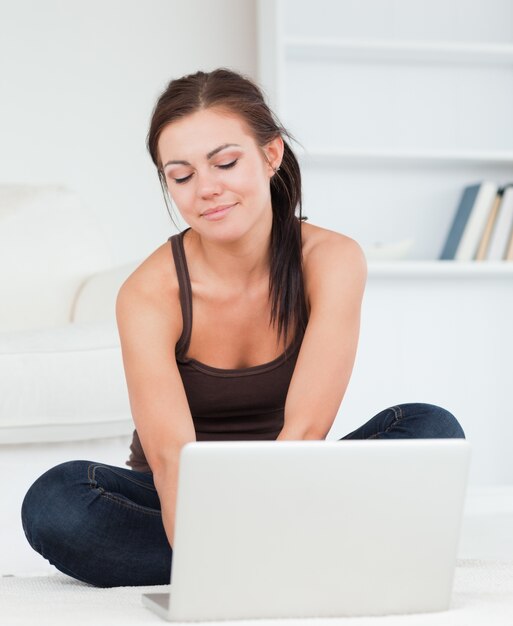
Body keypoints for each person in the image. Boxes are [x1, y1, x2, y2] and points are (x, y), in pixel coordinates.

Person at [21, 68, 465, 588]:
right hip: (179, 504)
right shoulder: (149, 293)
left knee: (431, 430)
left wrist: (255, 535)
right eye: (181, 176)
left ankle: (276, 554)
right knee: (58, 501)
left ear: (271, 155)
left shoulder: (332, 259)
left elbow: (304, 433)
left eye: (225, 162)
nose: (206, 189)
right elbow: (171, 459)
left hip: (296, 483)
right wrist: (211, 564)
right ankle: (323, 552)